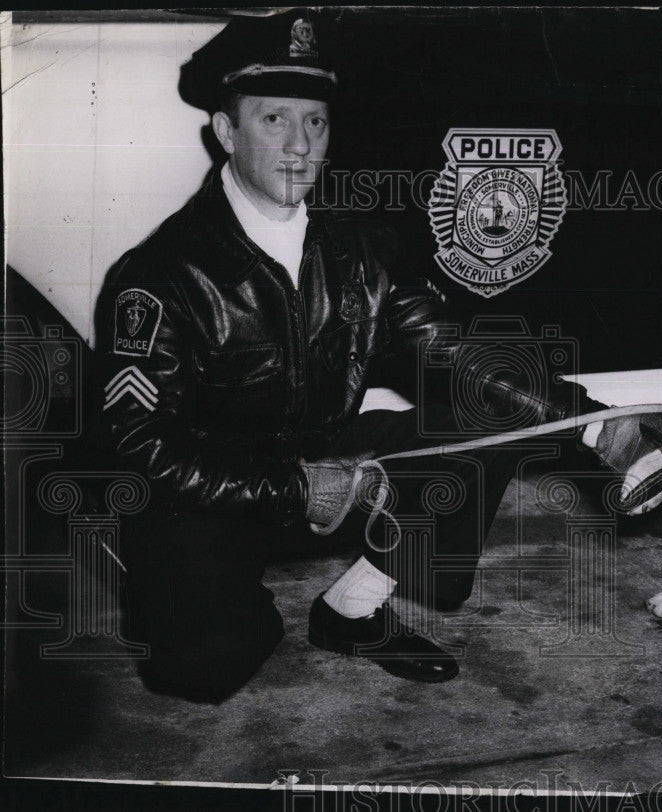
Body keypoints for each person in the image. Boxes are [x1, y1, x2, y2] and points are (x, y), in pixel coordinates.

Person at [95, 9, 604, 702]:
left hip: (334, 462)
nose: (300, 146)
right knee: (201, 671)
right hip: (212, 496)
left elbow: (451, 353)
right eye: (275, 120)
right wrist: (296, 485)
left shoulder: (360, 247)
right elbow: (142, 445)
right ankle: (190, 589)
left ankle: (351, 610)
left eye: (316, 123)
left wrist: (596, 423)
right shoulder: (159, 275)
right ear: (225, 132)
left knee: (487, 417)